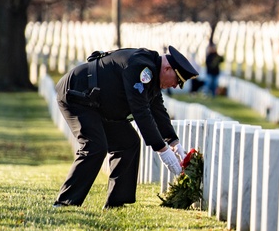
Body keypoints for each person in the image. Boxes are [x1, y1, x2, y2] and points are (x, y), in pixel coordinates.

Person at [53, 46, 198, 209]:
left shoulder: (152, 71)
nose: (174, 86)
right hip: (77, 95)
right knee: (95, 146)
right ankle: (65, 202)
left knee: (128, 143)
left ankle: (116, 202)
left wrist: (173, 142)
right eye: (177, 80)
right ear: (167, 68)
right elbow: (140, 110)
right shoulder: (141, 67)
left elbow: (157, 110)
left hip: (97, 104)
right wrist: (162, 150)